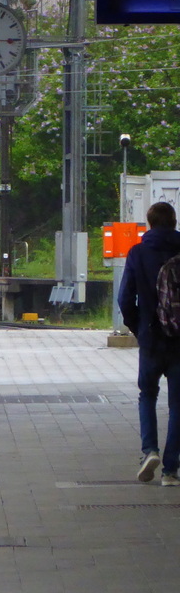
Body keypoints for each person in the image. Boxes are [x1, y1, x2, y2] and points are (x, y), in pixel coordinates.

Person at [118, 201, 180, 485]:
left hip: (152, 337)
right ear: (175, 222)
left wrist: (139, 327)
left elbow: (125, 298)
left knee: (148, 395)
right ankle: (170, 470)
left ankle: (150, 450)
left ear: (149, 223)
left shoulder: (139, 253)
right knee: (178, 404)